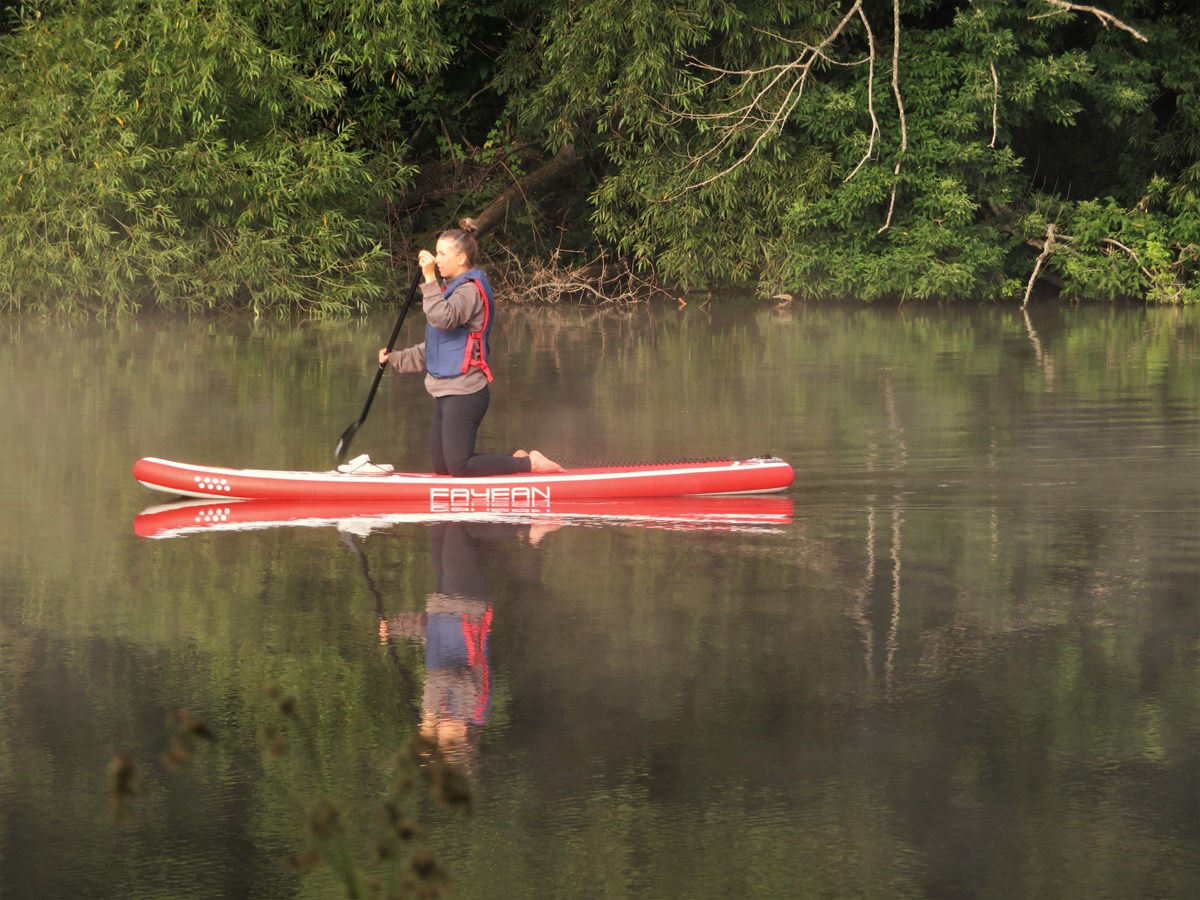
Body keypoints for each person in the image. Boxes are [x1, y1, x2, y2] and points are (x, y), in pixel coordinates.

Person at [378, 219, 563, 476]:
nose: (436, 259)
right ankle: (517, 458)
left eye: (442, 254)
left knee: (459, 466)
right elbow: (435, 347)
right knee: (443, 468)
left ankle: (530, 464)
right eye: (436, 253)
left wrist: (429, 278)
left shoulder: (469, 292)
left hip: (465, 393)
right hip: (445, 393)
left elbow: (443, 319)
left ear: (462, 258)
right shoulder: (450, 292)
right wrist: (396, 358)